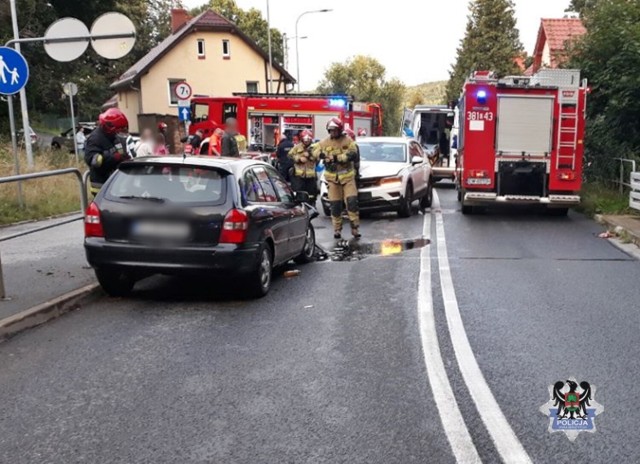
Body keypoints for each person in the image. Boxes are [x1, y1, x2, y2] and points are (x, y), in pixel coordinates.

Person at [315, 118, 360, 239]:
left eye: (335, 130)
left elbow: (353, 153)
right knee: (335, 205)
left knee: (351, 202)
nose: (333, 132)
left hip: (347, 178)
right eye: (331, 130)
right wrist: (321, 155)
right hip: (332, 179)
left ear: (340, 130)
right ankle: (337, 229)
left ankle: (354, 228)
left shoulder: (348, 141)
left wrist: (337, 158)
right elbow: (314, 150)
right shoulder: (324, 142)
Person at [84, 108, 130, 196]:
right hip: (101, 186)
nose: (119, 132)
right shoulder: (95, 139)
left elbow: (120, 153)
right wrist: (113, 157)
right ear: (110, 128)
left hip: (115, 183)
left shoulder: (114, 137)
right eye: (118, 129)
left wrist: (126, 159)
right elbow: (93, 160)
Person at [288, 130, 318, 203]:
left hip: (311, 177)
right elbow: (290, 155)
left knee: (311, 195)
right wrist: (299, 159)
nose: (306, 141)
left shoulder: (314, 148)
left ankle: (311, 206)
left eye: (308, 139)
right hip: (298, 177)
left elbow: (318, 157)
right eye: (305, 139)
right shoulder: (297, 147)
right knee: (299, 195)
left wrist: (310, 156)